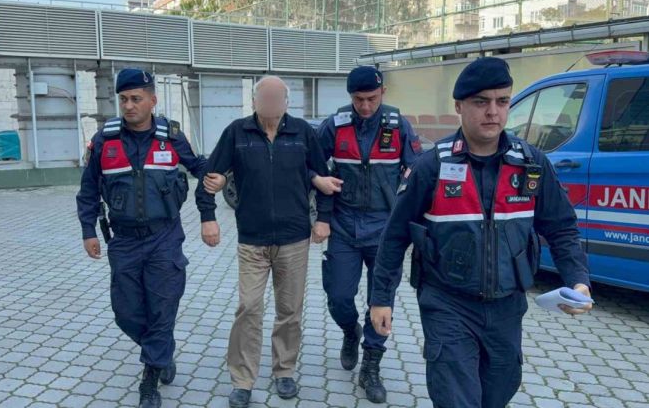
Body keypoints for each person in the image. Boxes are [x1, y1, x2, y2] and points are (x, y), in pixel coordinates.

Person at [370, 57, 592, 408]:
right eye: (481, 102)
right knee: (458, 399)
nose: (493, 111)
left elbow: (562, 227)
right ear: (459, 106)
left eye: (502, 101)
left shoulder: (531, 164)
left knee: (498, 392)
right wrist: (381, 298)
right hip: (447, 304)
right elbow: (395, 235)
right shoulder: (433, 166)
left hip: (507, 308)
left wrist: (578, 280)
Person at [76, 68, 219, 408]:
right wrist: (88, 231)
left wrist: (217, 181)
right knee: (125, 312)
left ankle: (151, 379)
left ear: (152, 100)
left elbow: (199, 167)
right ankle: (161, 349)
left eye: (136, 99)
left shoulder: (172, 137)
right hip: (123, 240)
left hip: (164, 237)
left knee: (162, 308)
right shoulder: (105, 141)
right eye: (124, 99)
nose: (129, 105)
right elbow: (88, 190)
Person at [201, 75, 332, 408]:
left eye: (277, 97)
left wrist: (324, 219)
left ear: (287, 102)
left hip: (294, 239)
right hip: (252, 239)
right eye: (265, 96)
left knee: (290, 311)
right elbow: (210, 177)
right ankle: (242, 380)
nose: (271, 102)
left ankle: (284, 371)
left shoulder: (303, 132)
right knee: (248, 308)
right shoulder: (236, 132)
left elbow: (323, 177)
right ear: (254, 101)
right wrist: (208, 217)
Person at [310, 66, 422, 403]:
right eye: (358, 99)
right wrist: (318, 184)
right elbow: (311, 164)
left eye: (371, 98)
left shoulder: (398, 126)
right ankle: (350, 331)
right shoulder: (335, 125)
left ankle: (371, 364)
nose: (365, 106)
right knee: (338, 296)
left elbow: (420, 168)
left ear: (383, 92)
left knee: (381, 300)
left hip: (386, 229)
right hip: (344, 226)